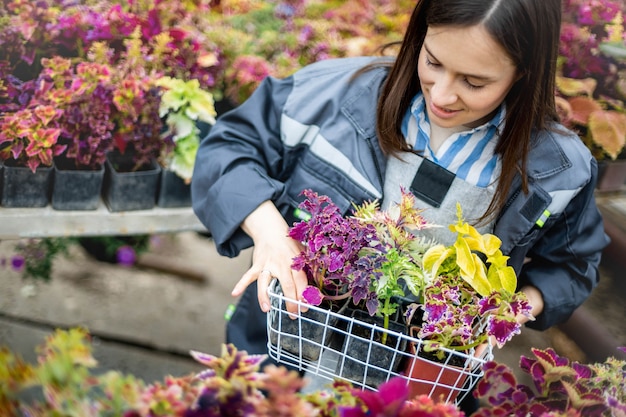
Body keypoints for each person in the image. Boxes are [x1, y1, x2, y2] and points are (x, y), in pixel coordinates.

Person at [191, 0, 609, 408]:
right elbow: (226, 149)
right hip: (283, 354)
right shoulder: (336, 95)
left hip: (424, 386)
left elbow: (571, 266)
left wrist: (507, 313)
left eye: (474, 82)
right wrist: (269, 231)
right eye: (433, 62)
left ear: (524, 73)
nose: (443, 95)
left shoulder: (558, 170)